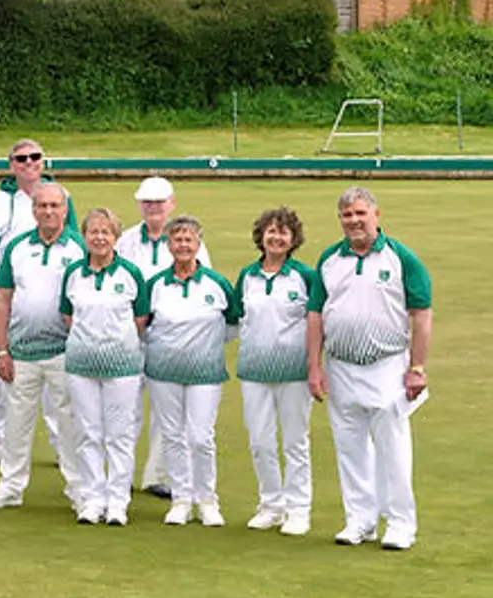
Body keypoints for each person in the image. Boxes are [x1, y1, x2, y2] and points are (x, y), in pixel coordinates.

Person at [309, 187, 431, 551]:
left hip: (387, 365)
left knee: (392, 447)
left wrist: (417, 367)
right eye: (347, 216)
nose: (354, 221)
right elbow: (315, 314)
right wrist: (314, 366)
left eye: (360, 213)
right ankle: (360, 520)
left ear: (376, 215)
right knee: (350, 447)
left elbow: (421, 314)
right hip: (341, 365)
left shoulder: (401, 258)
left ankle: (400, 524)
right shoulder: (329, 259)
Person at [0, 184, 91, 511]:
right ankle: (10, 487)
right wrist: (1, 350)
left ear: (65, 210)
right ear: (33, 210)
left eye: (55, 205)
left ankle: (79, 489)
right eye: (42, 206)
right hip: (21, 353)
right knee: (16, 424)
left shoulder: (79, 248)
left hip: (64, 352)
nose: (48, 211)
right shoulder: (16, 248)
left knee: (70, 424)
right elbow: (3, 300)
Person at [0, 140, 75, 468]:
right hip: (13, 295)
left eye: (34, 157)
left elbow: (72, 245)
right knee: (10, 376)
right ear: (11, 164)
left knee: (57, 382)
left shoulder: (62, 196)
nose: (28, 163)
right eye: (21, 159)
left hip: (53, 297)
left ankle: (63, 446)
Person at [119, 176, 214, 502]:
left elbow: (206, 287)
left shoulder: (189, 240)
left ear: (171, 203)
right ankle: (121, 474)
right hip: (132, 333)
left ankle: (158, 475)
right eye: (147, 203)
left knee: (167, 411)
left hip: (171, 339)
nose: (153, 209)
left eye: (158, 203)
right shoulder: (127, 240)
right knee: (126, 407)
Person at [141, 214, 240, 527]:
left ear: (198, 244)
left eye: (189, 240)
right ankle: (181, 499)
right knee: (172, 435)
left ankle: (207, 500)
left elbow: (233, 323)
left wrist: (205, 347)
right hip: (163, 373)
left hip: (205, 374)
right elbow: (144, 326)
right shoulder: (155, 285)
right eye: (177, 239)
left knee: (200, 436)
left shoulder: (217, 284)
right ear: (169, 244)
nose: (183, 245)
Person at [59, 207, 149, 527]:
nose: (99, 238)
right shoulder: (73, 274)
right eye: (93, 232)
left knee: (119, 435)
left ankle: (117, 502)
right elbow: (68, 317)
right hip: (81, 364)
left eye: (106, 232)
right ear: (84, 237)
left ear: (116, 237)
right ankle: (92, 498)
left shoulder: (131, 274)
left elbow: (140, 320)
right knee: (87, 432)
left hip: (122, 366)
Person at [234, 207, 320, 536]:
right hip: (254, 371)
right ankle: (271, 504)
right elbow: (238, 317)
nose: (277, 237)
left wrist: (314, 364)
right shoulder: (248, 276)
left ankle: (298, 510)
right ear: (261, 236)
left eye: (283, 232)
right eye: (271, 231)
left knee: (295, 442)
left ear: (293, 239)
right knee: (260, 441)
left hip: (294, 372)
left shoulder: (305, 276)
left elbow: (316, 322)